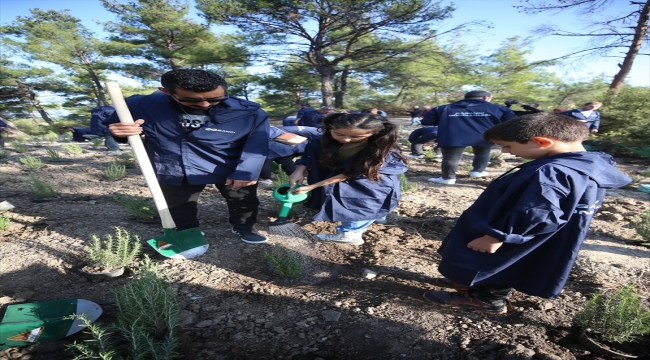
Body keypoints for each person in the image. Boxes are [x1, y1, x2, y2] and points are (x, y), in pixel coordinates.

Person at [422, 114, 631, 314]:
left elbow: (536, 212)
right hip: (536, 232)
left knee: (503, 260)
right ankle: (468, 280)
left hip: (515, 231)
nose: (504, 151)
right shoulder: (588, 164)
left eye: (508, 146)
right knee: (510, 258)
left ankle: (486, 299)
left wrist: (497, 236)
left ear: (542, 141)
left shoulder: (551, 172)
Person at [105, 69, 270, 244]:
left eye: (215, 99)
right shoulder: (140, 105)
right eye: (192, 100)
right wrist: (121, 132)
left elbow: (258, 142)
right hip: (173, 163)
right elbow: (116, 126)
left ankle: (244, 228)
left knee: (243, 199)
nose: (205, 104)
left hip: (227, 162)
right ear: (166, 92)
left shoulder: (248, 111)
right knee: (179, 203)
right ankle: (187, 231)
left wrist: (247, 171)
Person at [288, 113, 407, 245]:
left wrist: (313, 186)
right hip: (337, 176)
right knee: (353, 204)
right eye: (339, 134)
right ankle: (373, 217)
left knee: (359, 205)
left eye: (356, 136)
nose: (346, 139)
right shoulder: (322, 141)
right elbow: (310, 155)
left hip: (367, 182)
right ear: (330, 128)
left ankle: (350, 234)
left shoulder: (380, 149)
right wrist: (298, 171)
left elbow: (351, 172)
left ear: (376, 133)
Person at [421, 90, 517, 184]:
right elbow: (513, 122)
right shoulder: (499, 109)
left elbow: (427, 122)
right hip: (485, 135)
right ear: (485, 97)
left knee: (451, 158)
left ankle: (448, 178)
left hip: (453, 136)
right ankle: (477, 171)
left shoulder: (442, 108)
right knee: (483, 153)